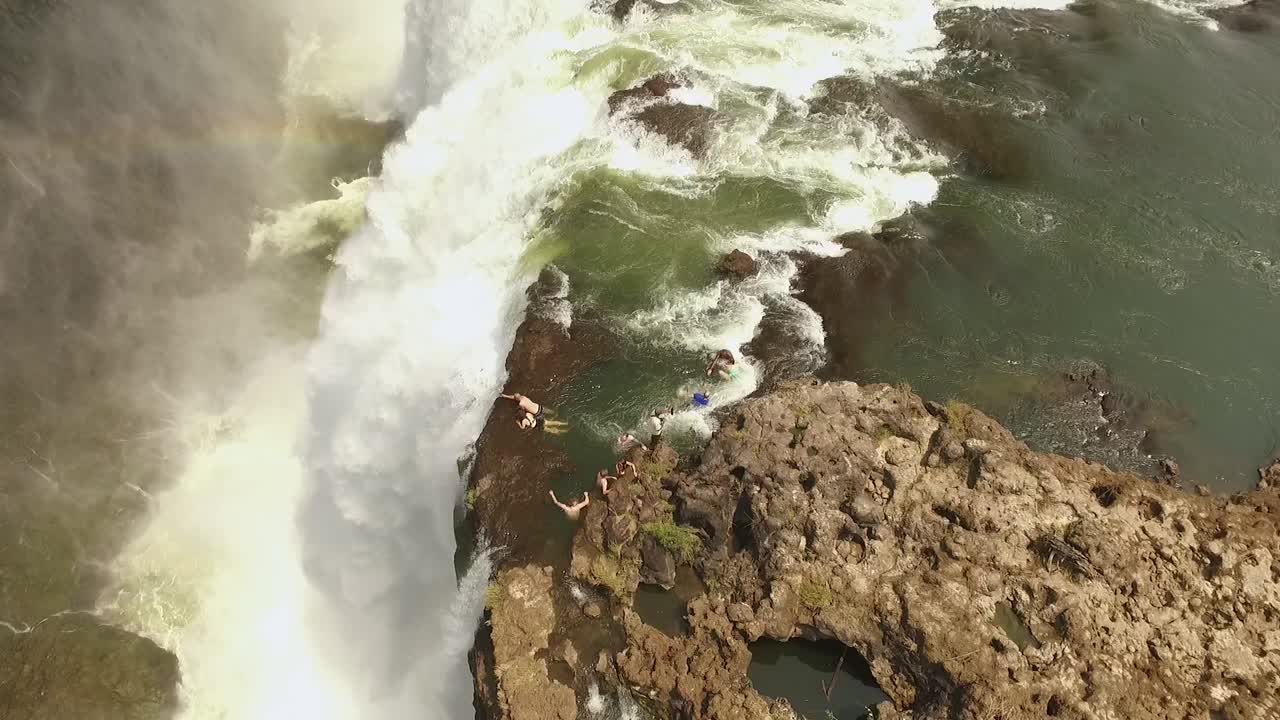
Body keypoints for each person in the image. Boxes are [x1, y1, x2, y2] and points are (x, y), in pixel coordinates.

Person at [500, 392, 567, 434]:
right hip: (538, 407)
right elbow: (515, 397)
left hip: (537, 413)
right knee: (550, 413)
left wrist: (518, 421)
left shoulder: (521, 404)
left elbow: (522, 407)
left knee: (547, 428)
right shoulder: (523, 397)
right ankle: (557, 415)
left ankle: (559, 431)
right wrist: (505, 396)